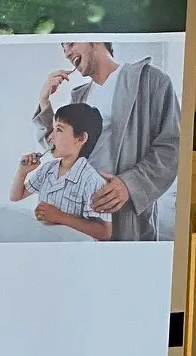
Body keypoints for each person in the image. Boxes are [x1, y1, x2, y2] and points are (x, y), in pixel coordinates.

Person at [33, 41, 180, 240]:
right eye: (63, 48)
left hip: (125, 220)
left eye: (71, 44)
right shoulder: (79, 97)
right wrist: (44, 102)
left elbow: (171, 148)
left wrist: (129, 184)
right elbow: (60, 149)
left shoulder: (150, 81)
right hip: (80, 222)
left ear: (94, 39)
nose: (67, 53)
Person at [8, 102, 110, 241]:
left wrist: (60, 217)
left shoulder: (93, 181)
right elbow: (15, 196)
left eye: (59, 130)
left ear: (80, 138)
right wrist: (22, 171)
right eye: (53, 129)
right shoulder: (48, 169)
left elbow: (104, 232)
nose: (50, 137)